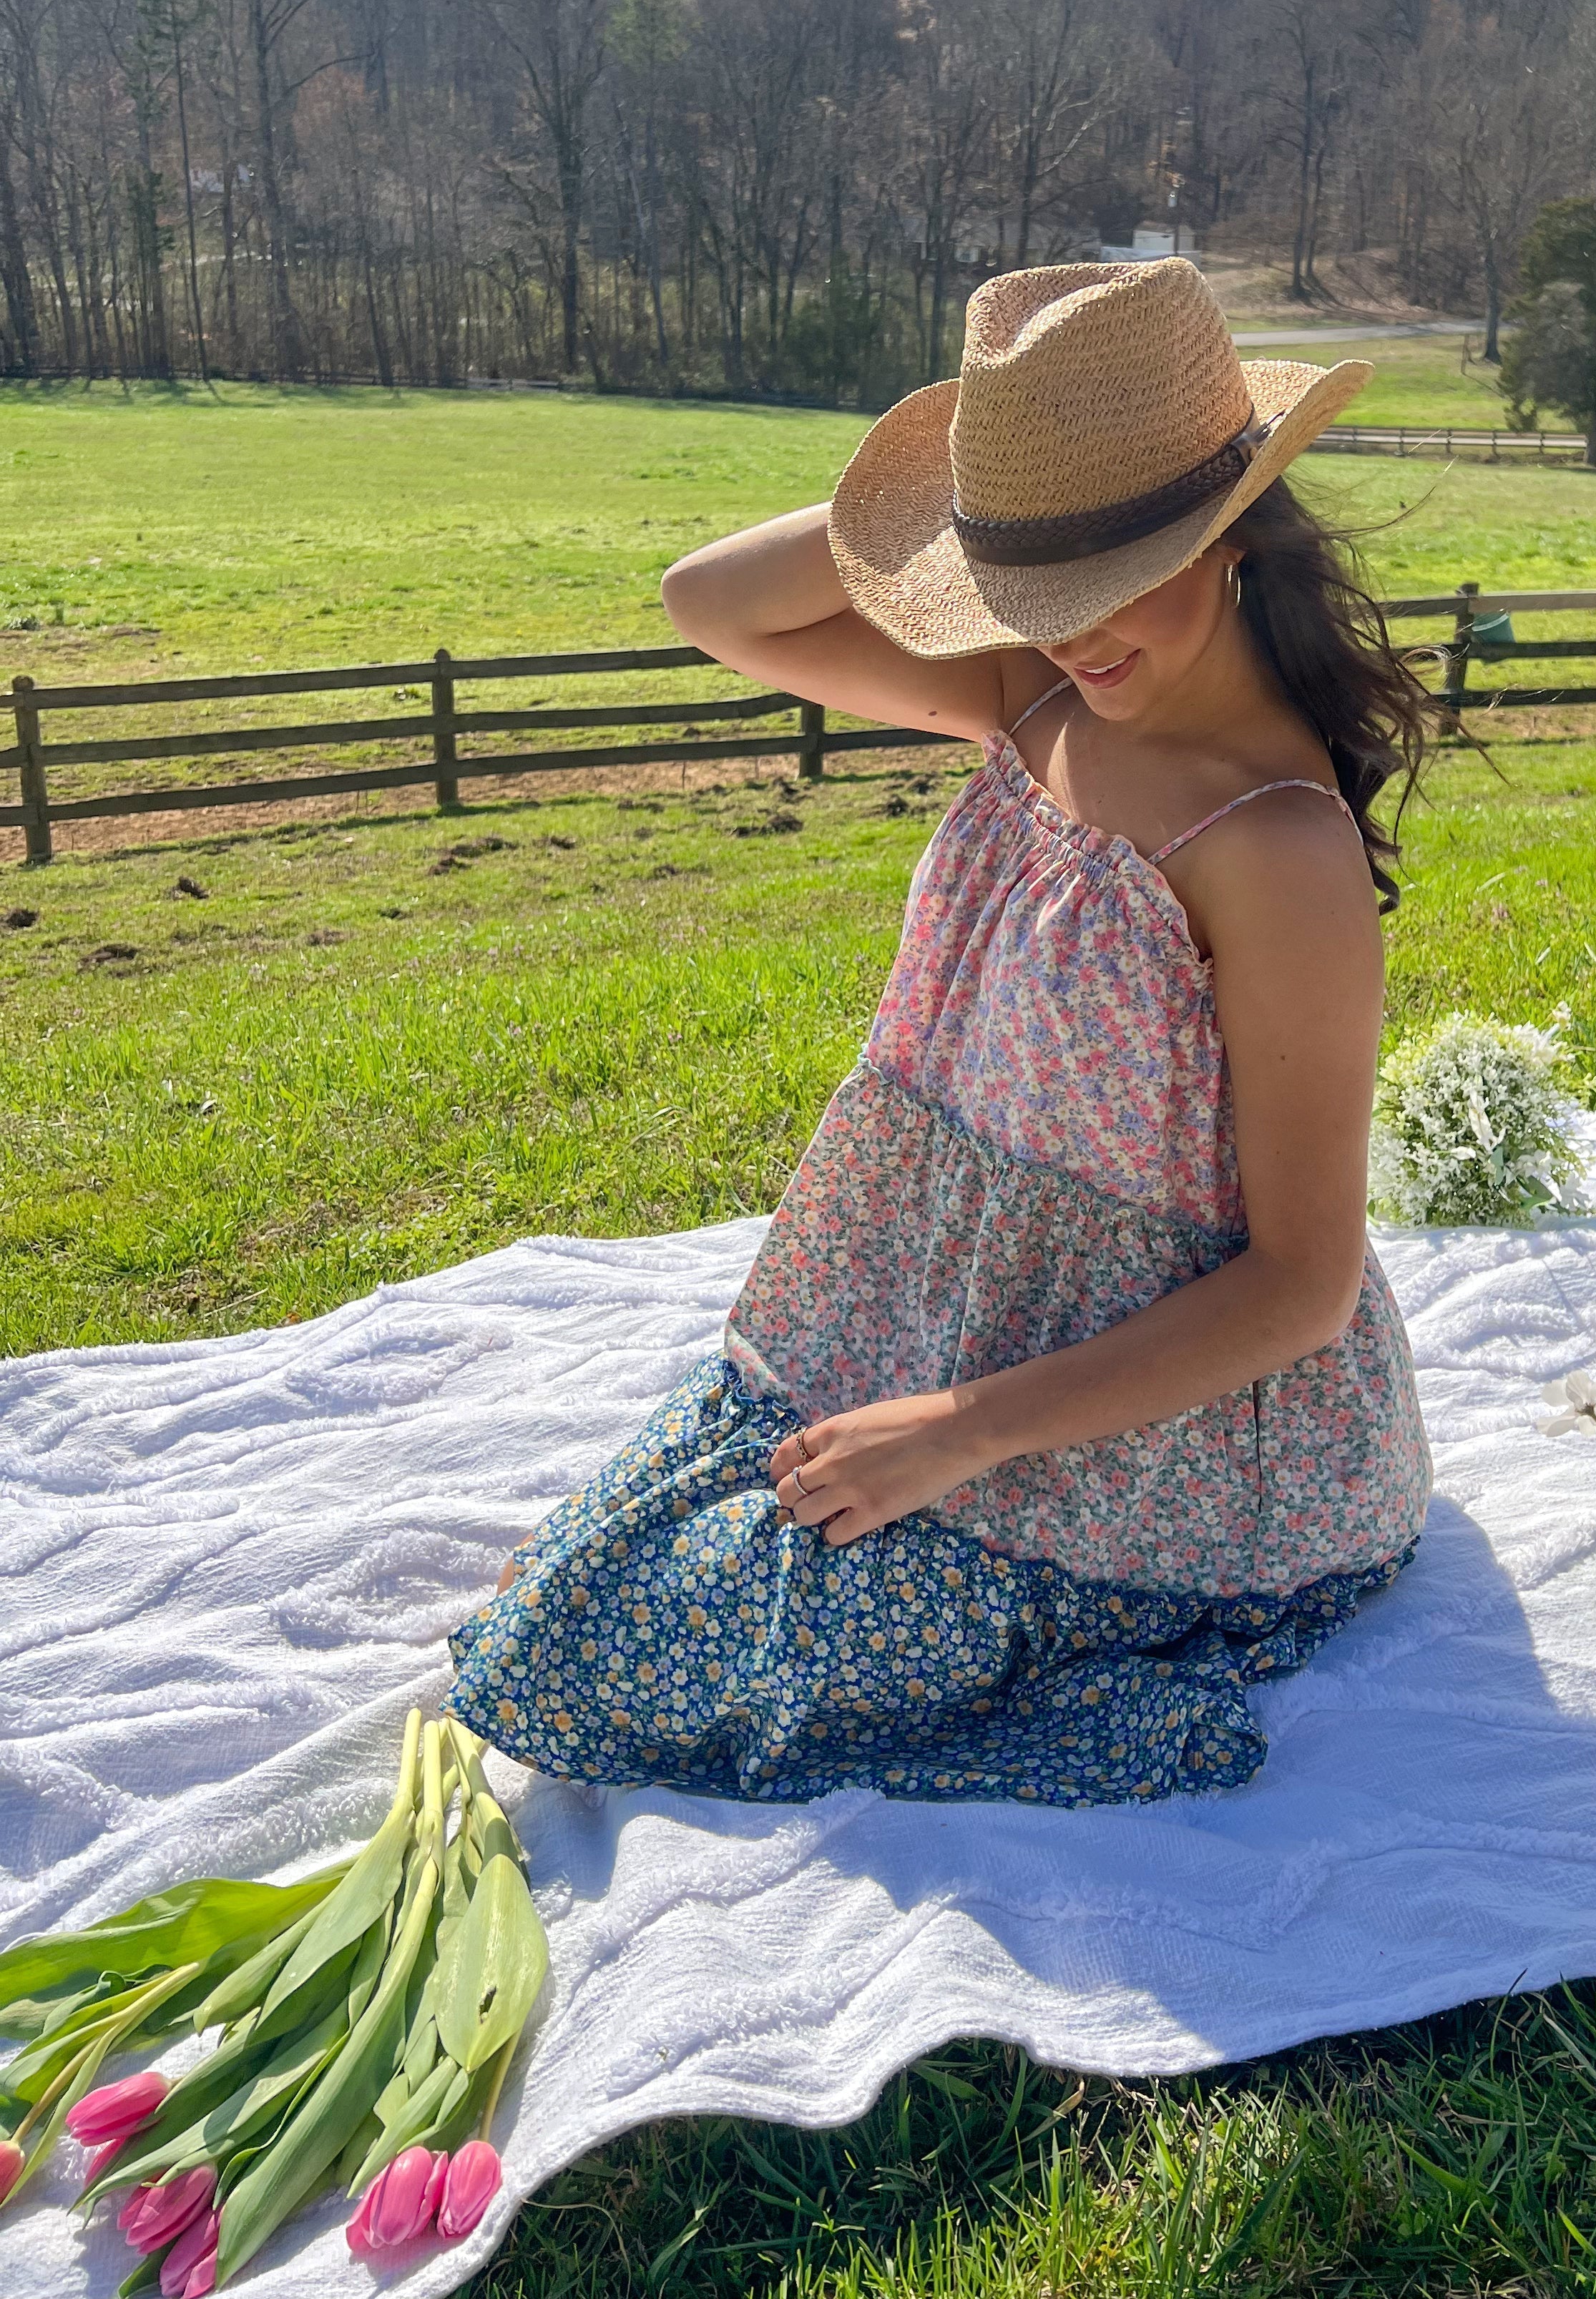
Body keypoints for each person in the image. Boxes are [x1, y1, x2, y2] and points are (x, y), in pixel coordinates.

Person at [446, 259, 1435, 1805]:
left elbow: (1301, 1286)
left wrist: (960, 1434)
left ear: (1232, 530)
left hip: (1156, 1446)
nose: (1072, 639)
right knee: (559, 1608)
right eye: (1030, 596)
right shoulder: (1031, 691)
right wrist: (965, 528)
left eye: (1114, 580)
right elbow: (710, 600)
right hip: (924, 1316)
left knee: (577, 1663)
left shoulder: (1276, 847)